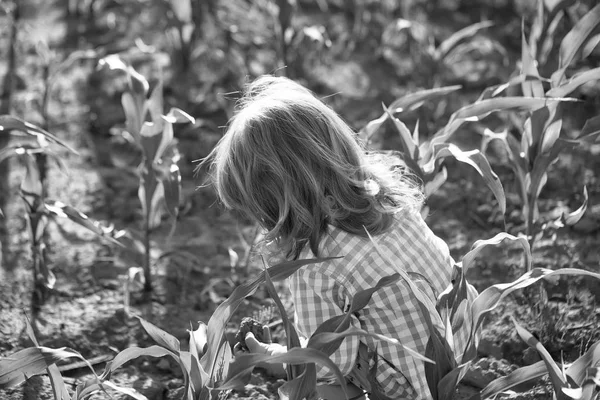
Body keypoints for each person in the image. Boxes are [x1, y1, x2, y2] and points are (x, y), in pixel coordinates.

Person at [201, 75, 474, 399]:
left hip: (415, 389)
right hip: (463, 352)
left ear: (277, 204)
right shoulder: (390, 201)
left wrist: (270, 358)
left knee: (311, 390)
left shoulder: (315, 263)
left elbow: (328, 363)